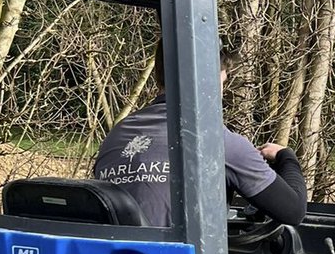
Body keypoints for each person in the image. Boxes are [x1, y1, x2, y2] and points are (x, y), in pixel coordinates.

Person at [94, 45, 307, 230]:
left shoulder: (118, 135)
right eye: (223, 79)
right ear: (207, 79)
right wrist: (286, 156)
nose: (222, 89)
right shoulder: (217, 141)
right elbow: (293, 210)